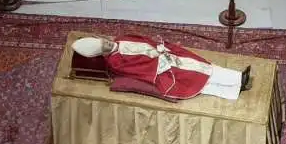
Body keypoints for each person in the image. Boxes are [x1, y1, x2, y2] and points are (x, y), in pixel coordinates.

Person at [72, 35, 252, 101]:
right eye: (104, 47)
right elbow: (138, 69)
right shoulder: (115, 61)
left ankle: (236, 79)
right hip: (160, 70)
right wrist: (161, 61)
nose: (108, 44)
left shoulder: (120, 39)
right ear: (101, 53)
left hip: (164, 55)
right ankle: (235, 86)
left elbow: (143, 41)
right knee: (196, 78)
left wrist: (159, 48)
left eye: (105, 42)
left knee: (202, 66)